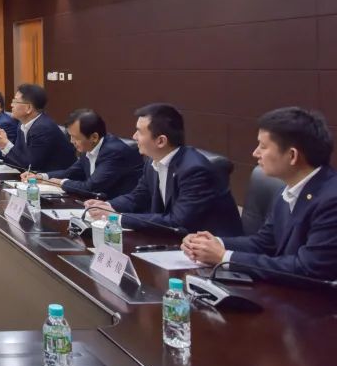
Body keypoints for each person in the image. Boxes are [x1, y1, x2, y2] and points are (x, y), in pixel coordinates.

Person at [182, 107, 337, 284]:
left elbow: (308, 268)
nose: (255, 153)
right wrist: (210, 244)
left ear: (292, 155)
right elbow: (263, 243)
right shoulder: (288, 189)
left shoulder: (331, 200)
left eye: (263, 147)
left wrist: (225, 257)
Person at [85, 103, 243, 236]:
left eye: (139, 132)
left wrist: (117, 218)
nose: (134, 136)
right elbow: (138, 197)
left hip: (213, 249)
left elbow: (177, 222)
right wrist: (107, 206)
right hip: (179, 242)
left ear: (160, 141)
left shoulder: (194, 170)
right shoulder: (152, 161)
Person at [22, 109, 142, 200]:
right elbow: (70, 172)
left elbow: (91, 187)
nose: (71, 141)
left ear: (94, 137)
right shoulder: (89, 147)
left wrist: (60, 183)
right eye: (70, 136)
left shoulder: (114, 152)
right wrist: (41, 177)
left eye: (75, 138)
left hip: (121, 210)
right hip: (97, 204)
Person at [0, 84, 74, 173]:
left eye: (15, 101)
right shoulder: (22, 124)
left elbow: (31, 165)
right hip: (32, 176)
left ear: (28, 108)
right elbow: (19, 159)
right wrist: (3, 146)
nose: (11, 105)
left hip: (54, 177)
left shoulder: (43, 128)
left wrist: (5, 144)